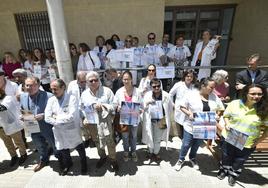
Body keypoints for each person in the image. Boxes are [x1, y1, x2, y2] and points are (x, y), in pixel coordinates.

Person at [217, 84, 268, 186]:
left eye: (259, 94)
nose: (256, 96)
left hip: (248, 141)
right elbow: (226, 115)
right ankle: (224, 170)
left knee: (239, 160)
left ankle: (233, 174)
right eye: (253, 94)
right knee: (226, 156)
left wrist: (259, 140)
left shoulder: (264, 109)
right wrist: (227, 124)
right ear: (245, 93)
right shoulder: (235, 103)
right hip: (231, 136)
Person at [174, 77, 224, 171]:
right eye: (211, 87)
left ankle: (192, 158)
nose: (213, 90)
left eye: (214, 87)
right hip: (191, 125)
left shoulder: (214, 96)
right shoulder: (191, 94)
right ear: (203, 86)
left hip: (205, 126)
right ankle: (181, 159)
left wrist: (217, 115)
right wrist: (189, 113)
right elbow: (182, 107)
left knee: (197, 144)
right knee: (186, 144)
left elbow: (221, 108)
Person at [45, 79, 87, 175]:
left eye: (55, 89)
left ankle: (84, 164)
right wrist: (59, 119)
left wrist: (56, 119)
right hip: (59, 131)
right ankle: (68, 164)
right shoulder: (51, 100)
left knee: (79, 147)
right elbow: (47, 117)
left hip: (72, 129)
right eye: (51, 89)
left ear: (63, 87)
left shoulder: (72, 98)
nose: (53, 92)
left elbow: (71, 116)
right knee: (63, 149)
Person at [20, 77, 60, 172]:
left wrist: (44, 115)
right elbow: (23, 109)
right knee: (39, 145)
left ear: (38, 85)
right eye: (27, 85)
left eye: (33, 85)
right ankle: (44, 160)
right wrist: (21, 115)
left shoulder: (49, 96)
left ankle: (61, 159)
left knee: (54, 145)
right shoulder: (23, 96)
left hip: (47, 127)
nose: (30, 87)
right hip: (32, 126)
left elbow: (56, 112)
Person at [80, 71, 119, 171]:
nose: (93, 82)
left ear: (99, 80)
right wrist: (84, 117)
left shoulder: (107, 91)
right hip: (92, 122)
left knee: (109, 141)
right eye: (91, 80)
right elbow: (82, 107)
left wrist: (104, 106)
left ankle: (113, 159)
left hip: (105, 122)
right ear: (87, 82)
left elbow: (114, 105)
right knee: (97, 141)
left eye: (95, 80)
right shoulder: (84, 94)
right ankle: (102, 157)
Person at [113, 71, 142, 162]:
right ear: (122, 80)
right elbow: (114, 104)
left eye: (128, 79)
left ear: (131, 80)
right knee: (125, 136)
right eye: (124, 79)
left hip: (134, 118)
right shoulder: (119, 91)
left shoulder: (137, 91)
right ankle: (126, 151)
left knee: (133, 136)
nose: (126, 81)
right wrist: (117, 107)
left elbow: (142, 104)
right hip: (124, 118)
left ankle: (133, 152)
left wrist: (140, 110)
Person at [142, 78, 172, 162]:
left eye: (158, 86)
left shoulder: (166, 95)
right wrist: (147, 103)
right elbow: (143, 107)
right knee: (149, 136)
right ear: (151, 87)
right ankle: (150, 152)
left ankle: (156, 153)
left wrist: (165, 117)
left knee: (157, 139)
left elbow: (169, 108)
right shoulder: (147, 95)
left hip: (161, 120)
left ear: (160, 85)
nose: (156, 88)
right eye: (154, 86)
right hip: (150, 120)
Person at [0, 88, 27, 167]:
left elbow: (2, 108)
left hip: (11, 125)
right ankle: (13, 156)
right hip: (1, 126)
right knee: (7, 143)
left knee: (18, 141)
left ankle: (23, 154)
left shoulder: (7, 98)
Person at [67, 71, 94, 148]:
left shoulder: (90, 83)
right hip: (77, 108)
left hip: (88, 107)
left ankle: (92, 139)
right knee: (81, 126)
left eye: (85, 81)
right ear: (77, 80)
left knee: (90, 124)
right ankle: (86, 139)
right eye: (82, 82)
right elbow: (69, 96)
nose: (84, 83)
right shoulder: (72, 84)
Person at [169, 70, 196, 138]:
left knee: (188, 124)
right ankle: (183, 138)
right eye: (187, 76)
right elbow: (170, 94)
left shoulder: (193, 86)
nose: (189, 78)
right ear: (184, 76)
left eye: (191, 76)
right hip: (180, 109)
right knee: (182, 123)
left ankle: (186, 138)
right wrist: (173, 104)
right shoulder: (179, 84)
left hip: (190, 109)